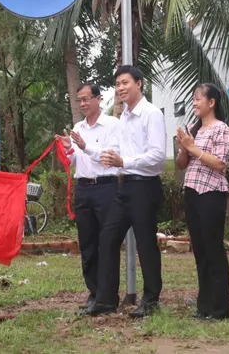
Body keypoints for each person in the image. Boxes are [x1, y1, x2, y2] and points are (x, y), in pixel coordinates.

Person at [85, 65, 167, 318]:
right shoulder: (123, 117)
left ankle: (151, 301)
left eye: (125, 83)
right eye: (117, 84)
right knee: (107, 239)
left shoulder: (151, 114)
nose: (120, 88)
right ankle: (106, 299)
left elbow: (158, 157)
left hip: (145, 187)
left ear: (139, 83)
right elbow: (115, 151)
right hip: (125, 187)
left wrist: (124, 162)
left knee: (145, 245)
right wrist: (93, 151)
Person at [59, 83, 120, 313]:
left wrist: (84, 147)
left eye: (86, 99)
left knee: (107, 243)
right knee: (87, 244)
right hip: (83, 188)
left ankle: (108, 297)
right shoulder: (78, 127)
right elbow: (76, 161)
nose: (83, 104)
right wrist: (69, 149)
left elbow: (108, 157)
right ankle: (94, 294)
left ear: (98, 98)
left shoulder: (112, 124)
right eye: (79, 100)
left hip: (106, 187)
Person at [176, 83, 229, 321]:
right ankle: (204, 306)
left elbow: (220, 164)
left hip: (212, 193)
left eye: (198, 99)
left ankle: (221, 309)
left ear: (212, 103)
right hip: (192, 192)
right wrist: (183, 149)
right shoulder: (194, 129)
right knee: (199, 250)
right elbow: (182, 165)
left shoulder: (222, 129)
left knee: (213, 250)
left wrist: (193, 148)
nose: (194, 103)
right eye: (193, 99)